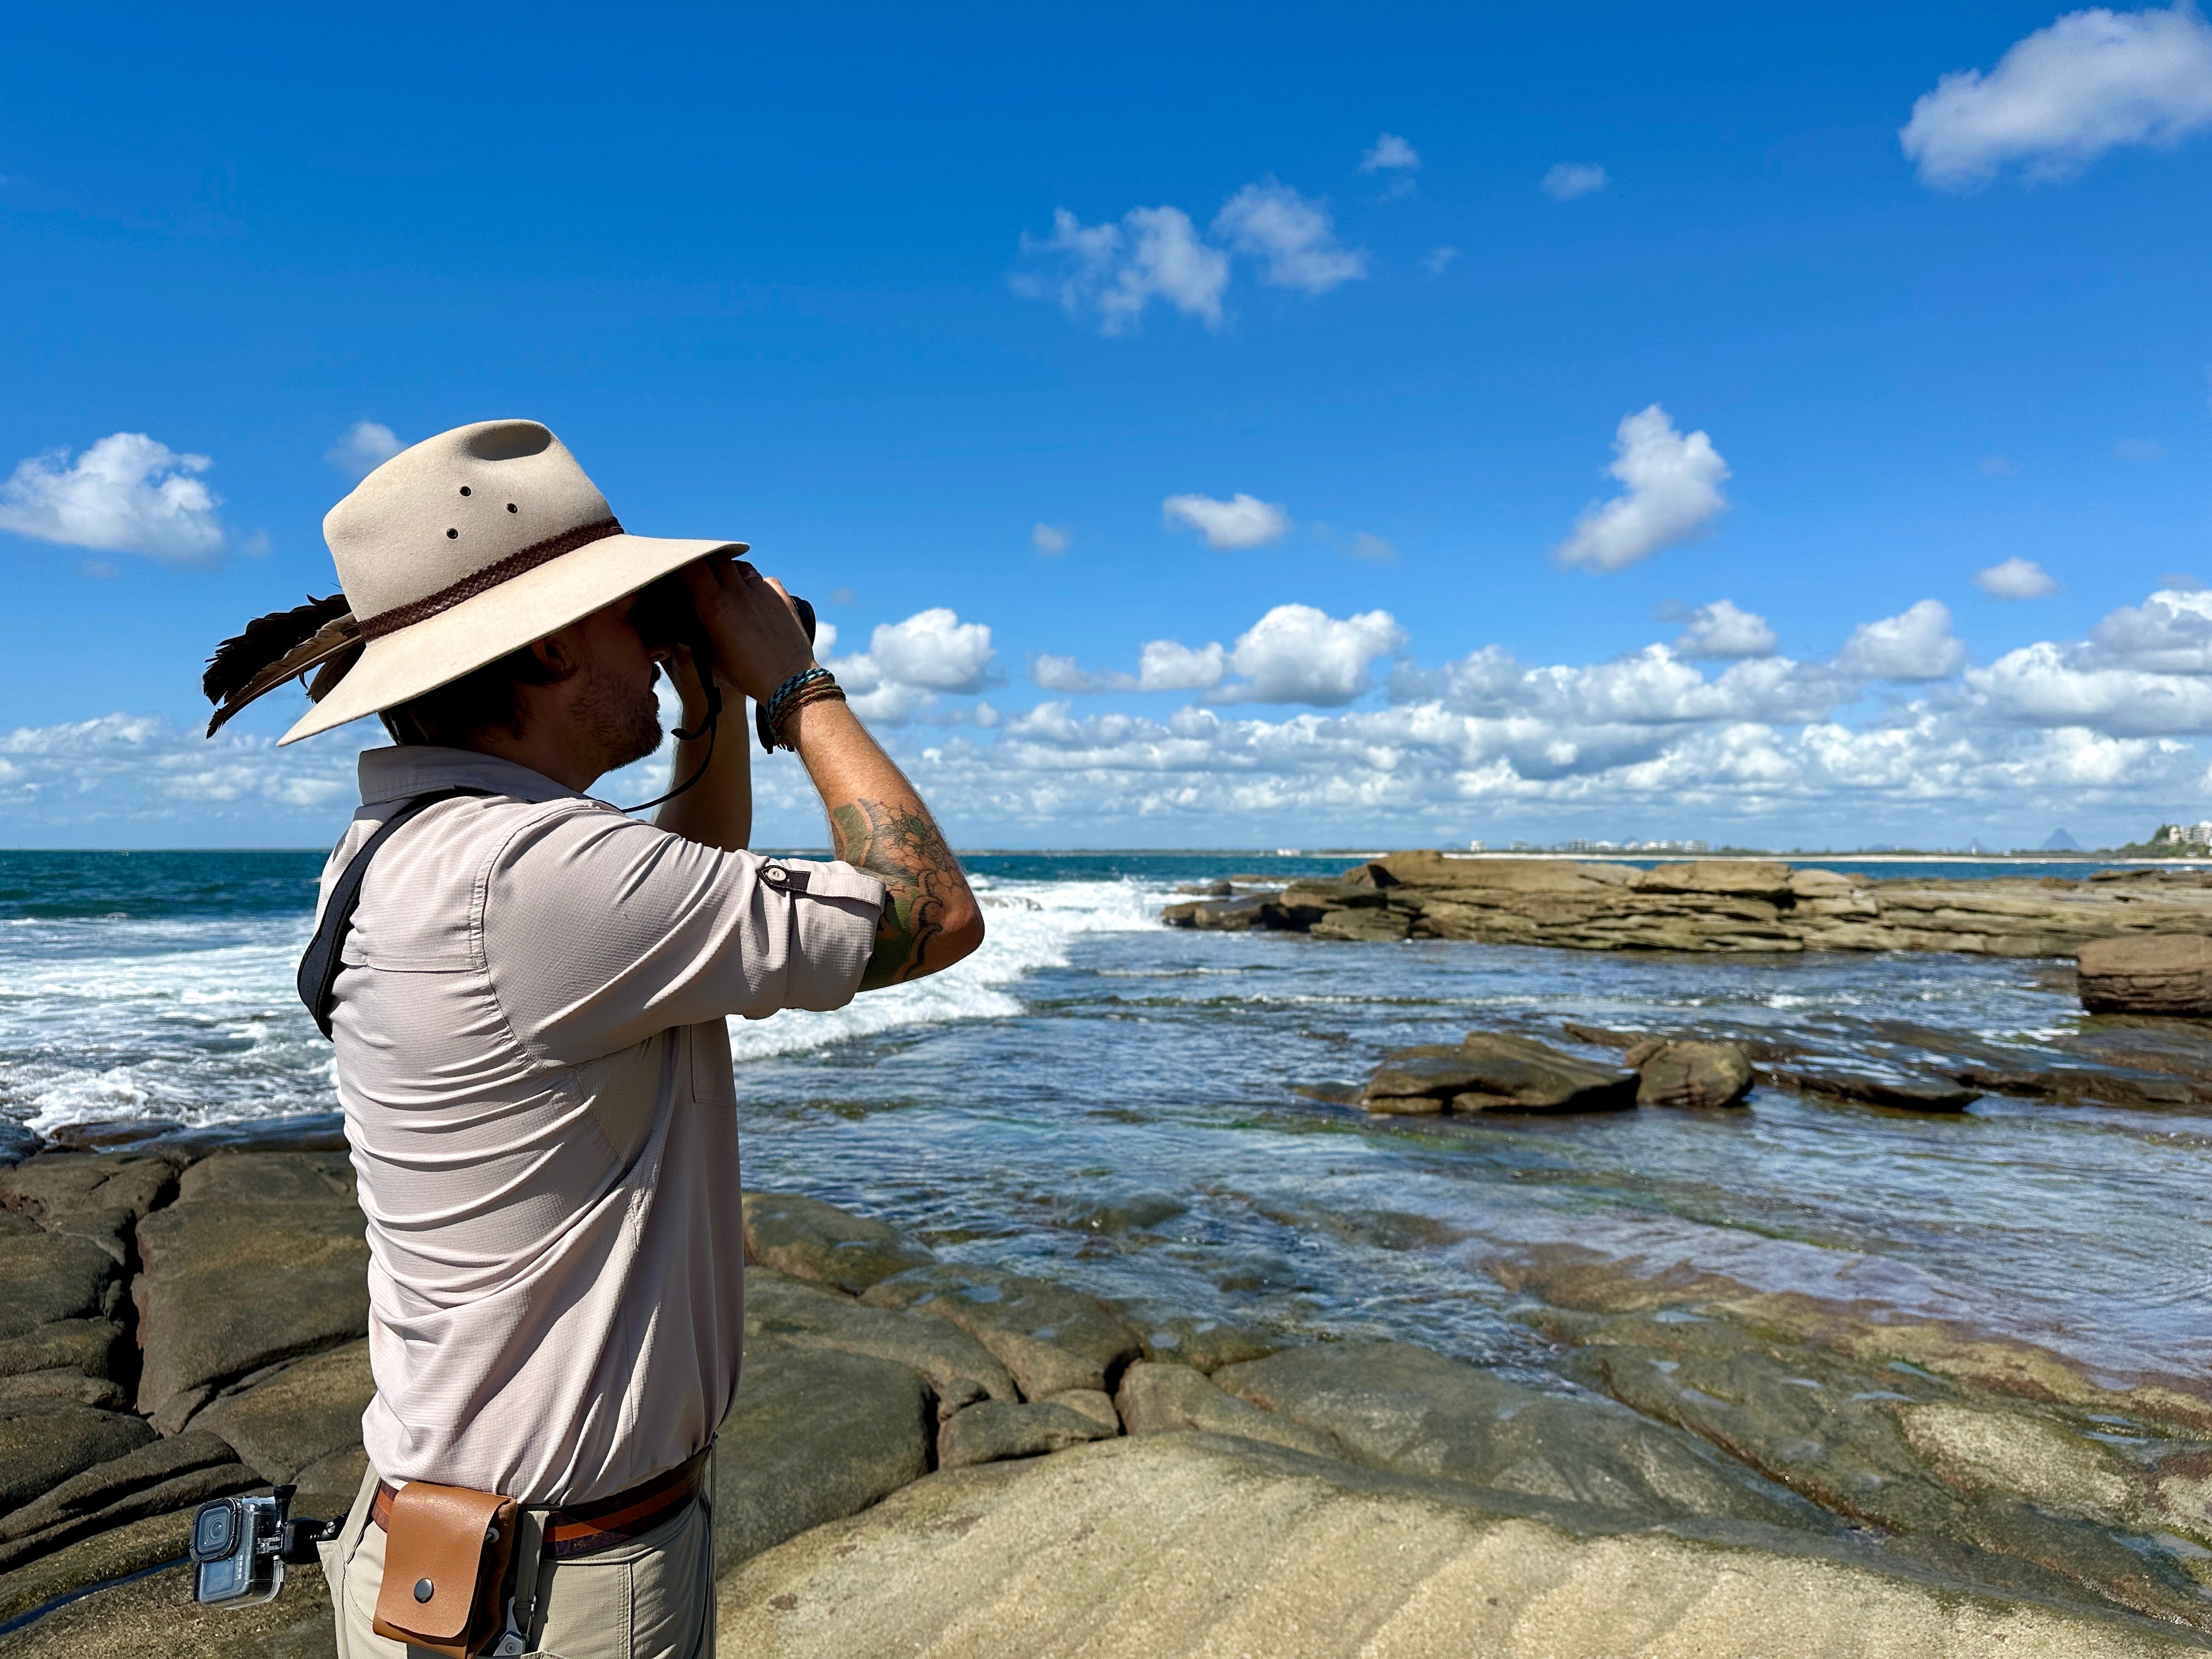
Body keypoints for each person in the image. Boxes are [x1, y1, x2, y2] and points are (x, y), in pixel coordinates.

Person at [201, 419, 981, 1658]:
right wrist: (792, 685)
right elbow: (930, 914)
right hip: (557, 1591)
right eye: (629, 612)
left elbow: (696, 885)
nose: (655, 633)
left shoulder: (421, 850)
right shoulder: (535, 876)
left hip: (465, 1556)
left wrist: (703, 704)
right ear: (555, 639)